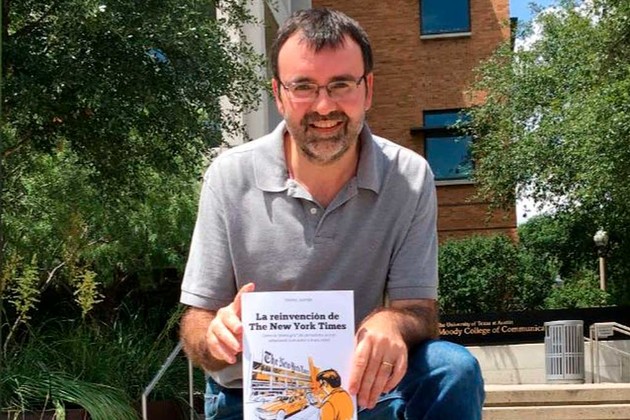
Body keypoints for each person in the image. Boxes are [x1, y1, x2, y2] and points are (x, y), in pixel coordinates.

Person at [179, 7, 484, 420]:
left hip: (362, 392)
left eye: (341, 84)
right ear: (278, 94)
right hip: (249, 399)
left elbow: (420, 312)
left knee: (452, 368)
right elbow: (196, 323)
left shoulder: (409, 177)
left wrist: (392, 323)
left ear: (368, 89)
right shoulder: (228, 177)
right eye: (303, 86)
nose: (324, 107)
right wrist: (215, 335)